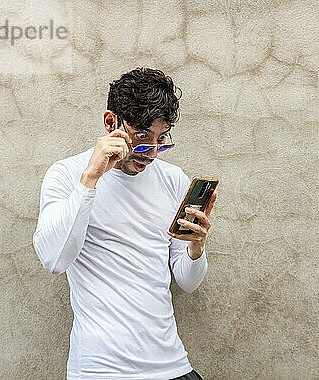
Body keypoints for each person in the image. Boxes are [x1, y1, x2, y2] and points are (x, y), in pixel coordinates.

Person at [32, 67, 217, 380]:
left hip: (172, 366)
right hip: (102, 369)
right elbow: (54, 259)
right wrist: (91, 178)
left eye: (162, 140)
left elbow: (187, 281)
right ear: (110, 123)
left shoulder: (173, 180)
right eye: (142, 139)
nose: (152, 153)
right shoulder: (66, 175)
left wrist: (196, 249)